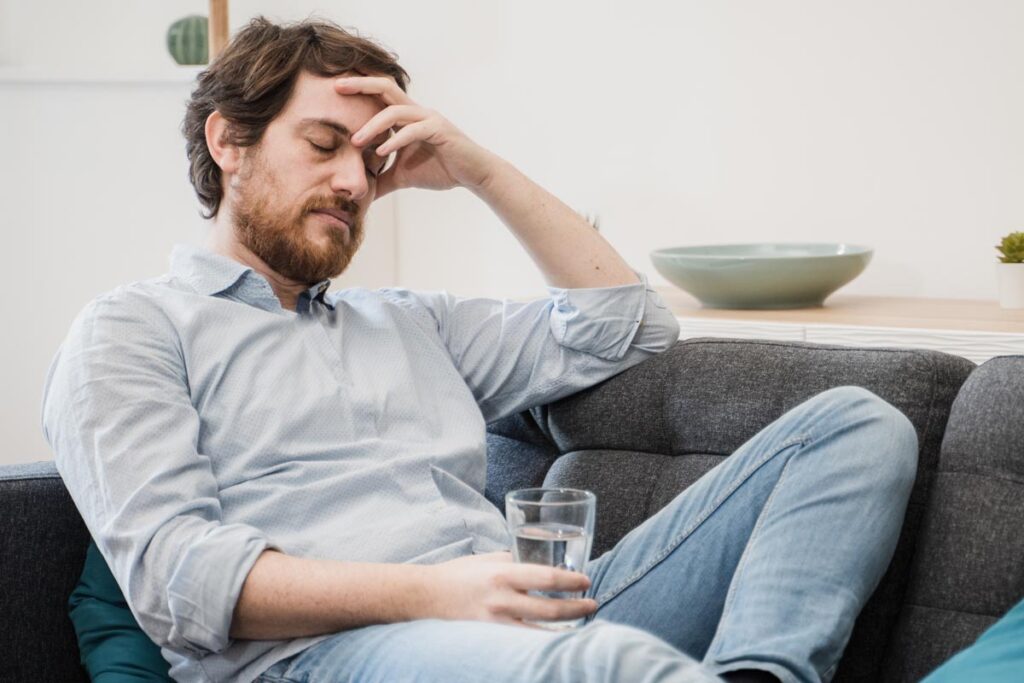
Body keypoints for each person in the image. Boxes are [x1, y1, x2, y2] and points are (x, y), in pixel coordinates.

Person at [41, 16, 919, 683]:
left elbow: (627, 325)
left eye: (371, 162)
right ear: (228, 142)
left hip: (522, 616)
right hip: (326, 655)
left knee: (855, 424)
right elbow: (178, 580)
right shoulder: (130, 331)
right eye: (322, 146)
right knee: (603, 664)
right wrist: (444, 592)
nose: (354, 182)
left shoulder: (409, 322)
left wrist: (476, 169)